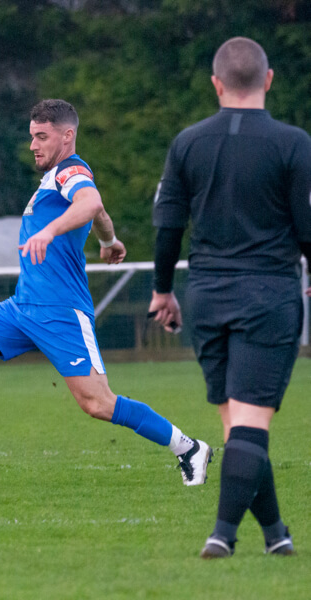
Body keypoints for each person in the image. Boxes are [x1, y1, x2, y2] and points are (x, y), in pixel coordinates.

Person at [0, 99, 212, 489]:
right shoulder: (56, 177)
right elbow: (98, 211)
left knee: (98, 404)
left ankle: (188, 448)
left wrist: (49, 230)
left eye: (42, 137)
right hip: (22, 308)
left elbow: (89, 201)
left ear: (67, 135)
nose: (33, 145)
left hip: (60, 312)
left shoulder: (71, 170)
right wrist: (110, 240)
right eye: (31, 137)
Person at [150, 37, 311, 559]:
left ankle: (276, 535)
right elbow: (307, 227)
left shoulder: (187, 143)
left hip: (208, 297)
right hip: (269, 295)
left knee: (236, 423)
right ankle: (222, 533)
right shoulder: (294, 143)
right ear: (268, 80)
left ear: (216, 85)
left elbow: (168, 226)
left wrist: (161, 290)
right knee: (249, 424)